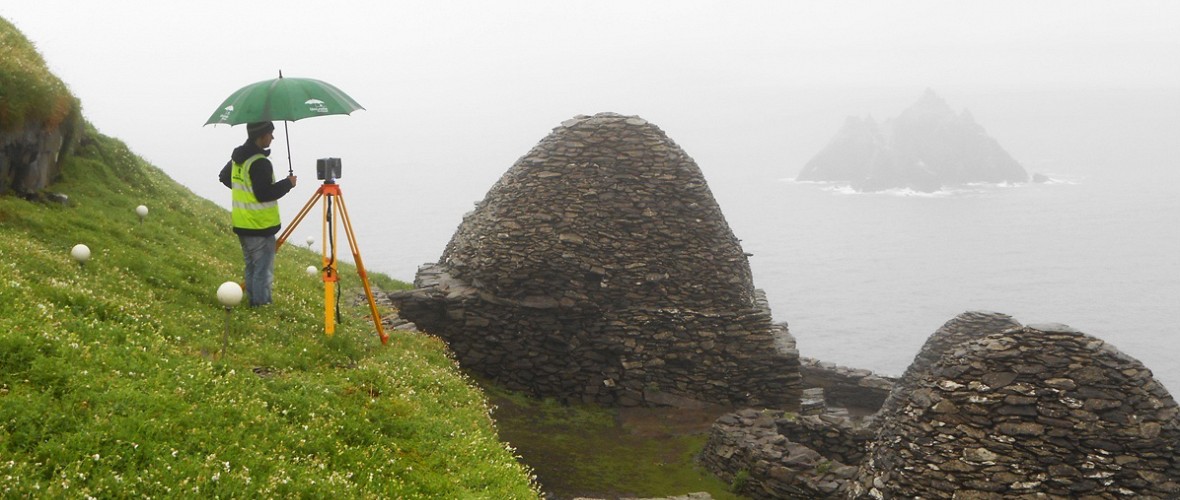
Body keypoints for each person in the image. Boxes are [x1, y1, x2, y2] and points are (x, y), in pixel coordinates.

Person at [218, 121, 297, 307]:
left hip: (242, 223)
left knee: (252, 267)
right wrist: (288, 183)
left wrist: (245, 190)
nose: (273, 137)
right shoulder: (260, 163)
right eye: (271, 133)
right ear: (261, 136)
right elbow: (264, 194)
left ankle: (254, 302)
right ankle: (261, 306)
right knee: (262, 270)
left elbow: (224, 177)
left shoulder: (239, 158)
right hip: (260, 225)